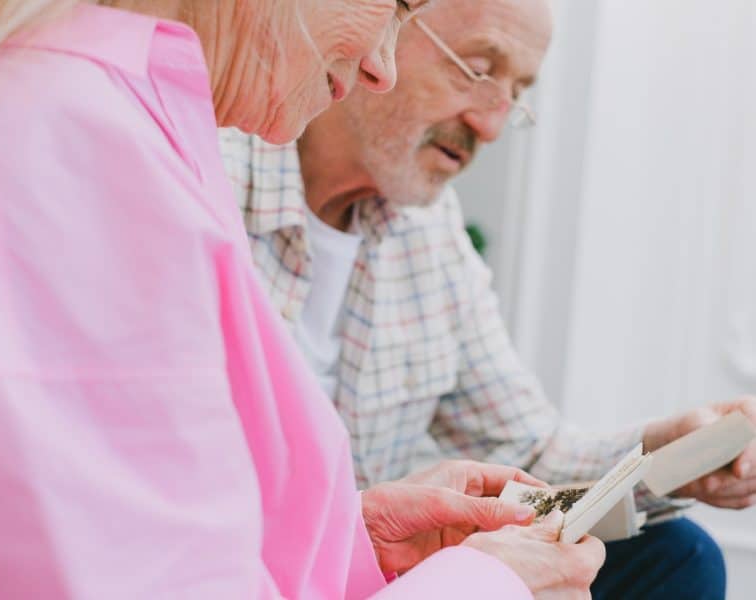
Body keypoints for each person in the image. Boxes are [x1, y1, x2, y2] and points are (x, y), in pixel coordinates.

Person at [0, 0, 608, 598]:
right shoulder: (87, 144)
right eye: (395, 7)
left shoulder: (140, 115)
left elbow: (175, 532)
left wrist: (353, 543)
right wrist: (491, 584)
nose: (379, 68)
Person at [219, 0, 756, 597]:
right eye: (477, 69)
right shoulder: (210, 167)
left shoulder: (428, 230)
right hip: (240, 568)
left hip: (374, 566)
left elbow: (529, 453)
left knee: (674, 557)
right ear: (382, 25)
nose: (491, 124)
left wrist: (667, 451)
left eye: (516, 92)